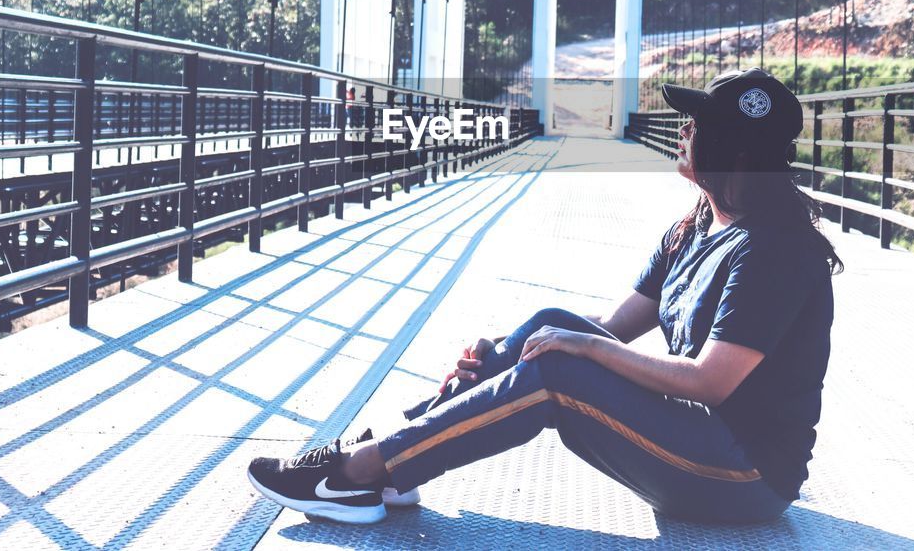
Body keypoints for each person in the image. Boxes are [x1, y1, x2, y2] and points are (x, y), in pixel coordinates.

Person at [247, 67, 842, 525]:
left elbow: (711, 382)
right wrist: (505, 350)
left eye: (697, 126)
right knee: (550, 323)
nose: (683, 133)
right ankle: (398, 458)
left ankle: (360, 473)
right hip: (692, 440)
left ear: (737, 153)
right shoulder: (697, 226)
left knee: (563, 362)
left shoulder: (775, 248)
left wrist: (578, 350)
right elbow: (613, 323)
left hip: (745, 476)